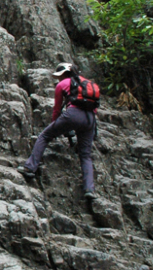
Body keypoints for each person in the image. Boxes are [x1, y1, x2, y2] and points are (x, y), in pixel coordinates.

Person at [19, 62, 98, 199]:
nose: (59, 79)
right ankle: (89, 189)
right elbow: (94, 108)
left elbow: (57, 109)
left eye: (60, 76)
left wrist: (55, 125)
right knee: (85, 155)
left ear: (64, 74)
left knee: (44, 136)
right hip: (90, 119)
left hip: (73, 114)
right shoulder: (88, 84)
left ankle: (30, 168)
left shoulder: (62, 84)